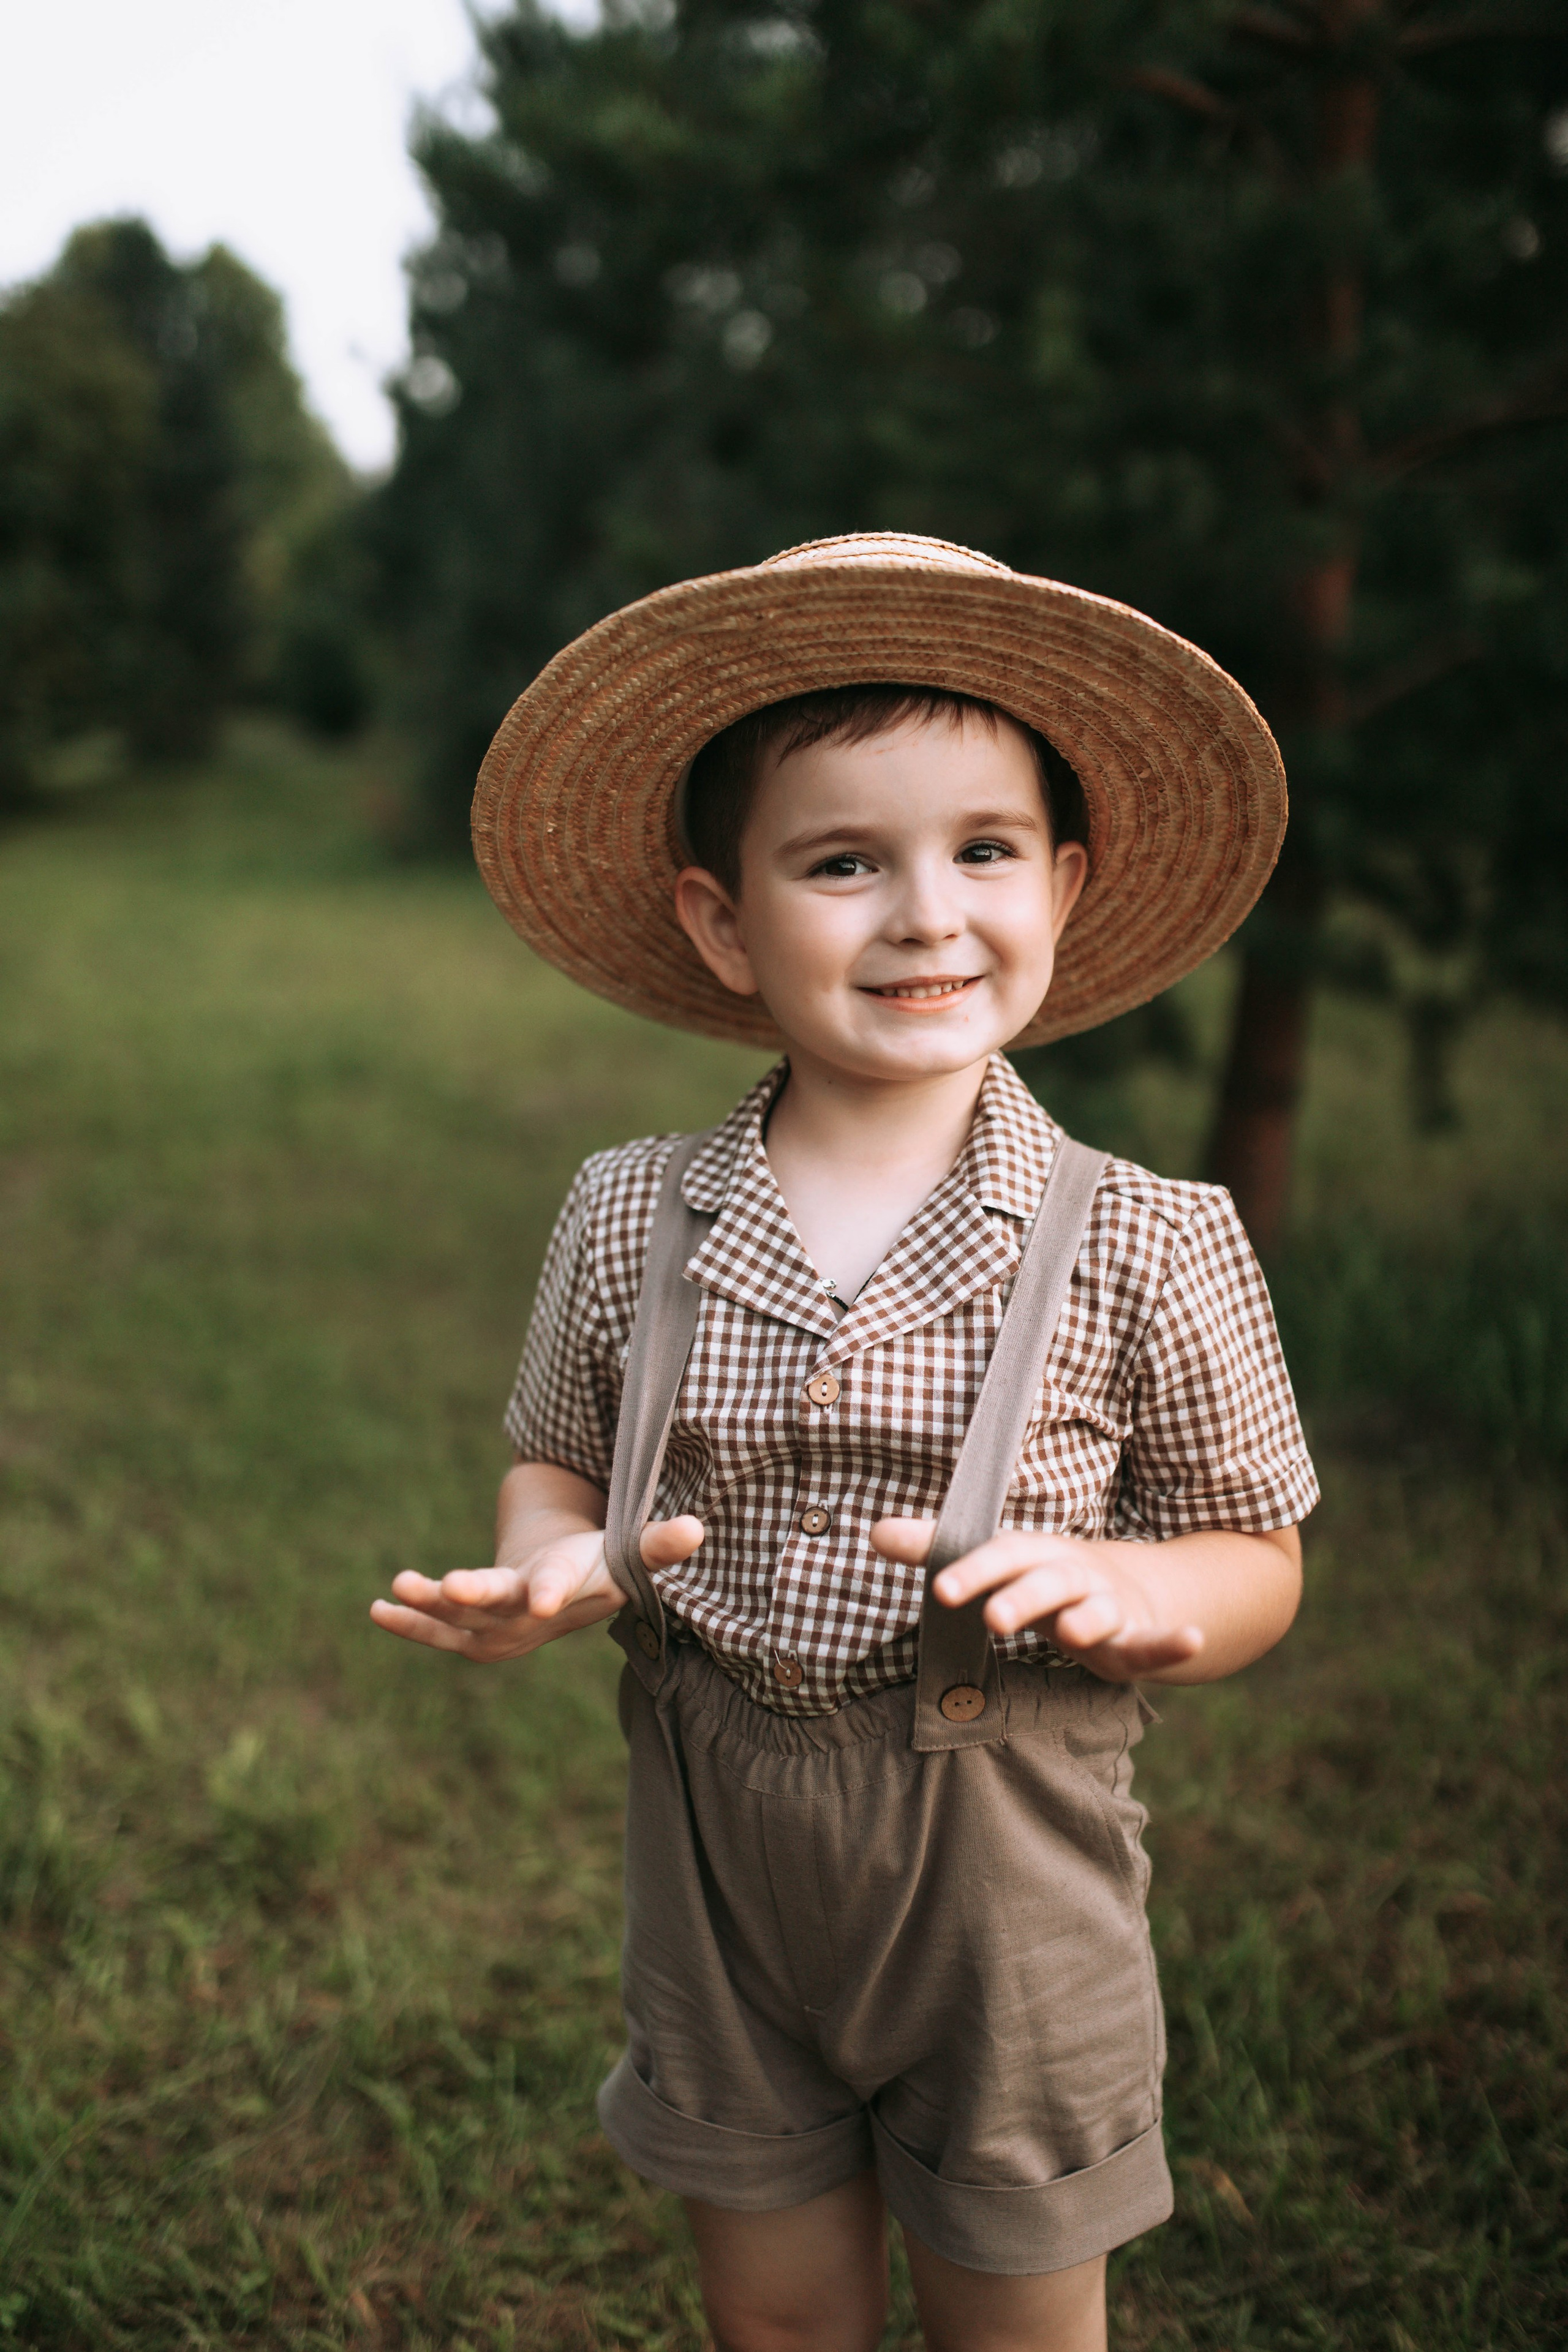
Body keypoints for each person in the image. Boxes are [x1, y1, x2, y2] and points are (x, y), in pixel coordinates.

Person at [371, 535, 1318, 2352]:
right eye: (840, 863)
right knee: (776, 2309)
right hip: (715, 1866)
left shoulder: (1148, 1236)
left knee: (1013, 2316)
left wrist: (1138, 1587)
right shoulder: (632, 1211)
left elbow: (1254, 1556)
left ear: (1066, 879)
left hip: (1004, 1887)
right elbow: (563, 1462)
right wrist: (561, 1553)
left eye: (982, 850)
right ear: (725, 920)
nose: (924, 914)